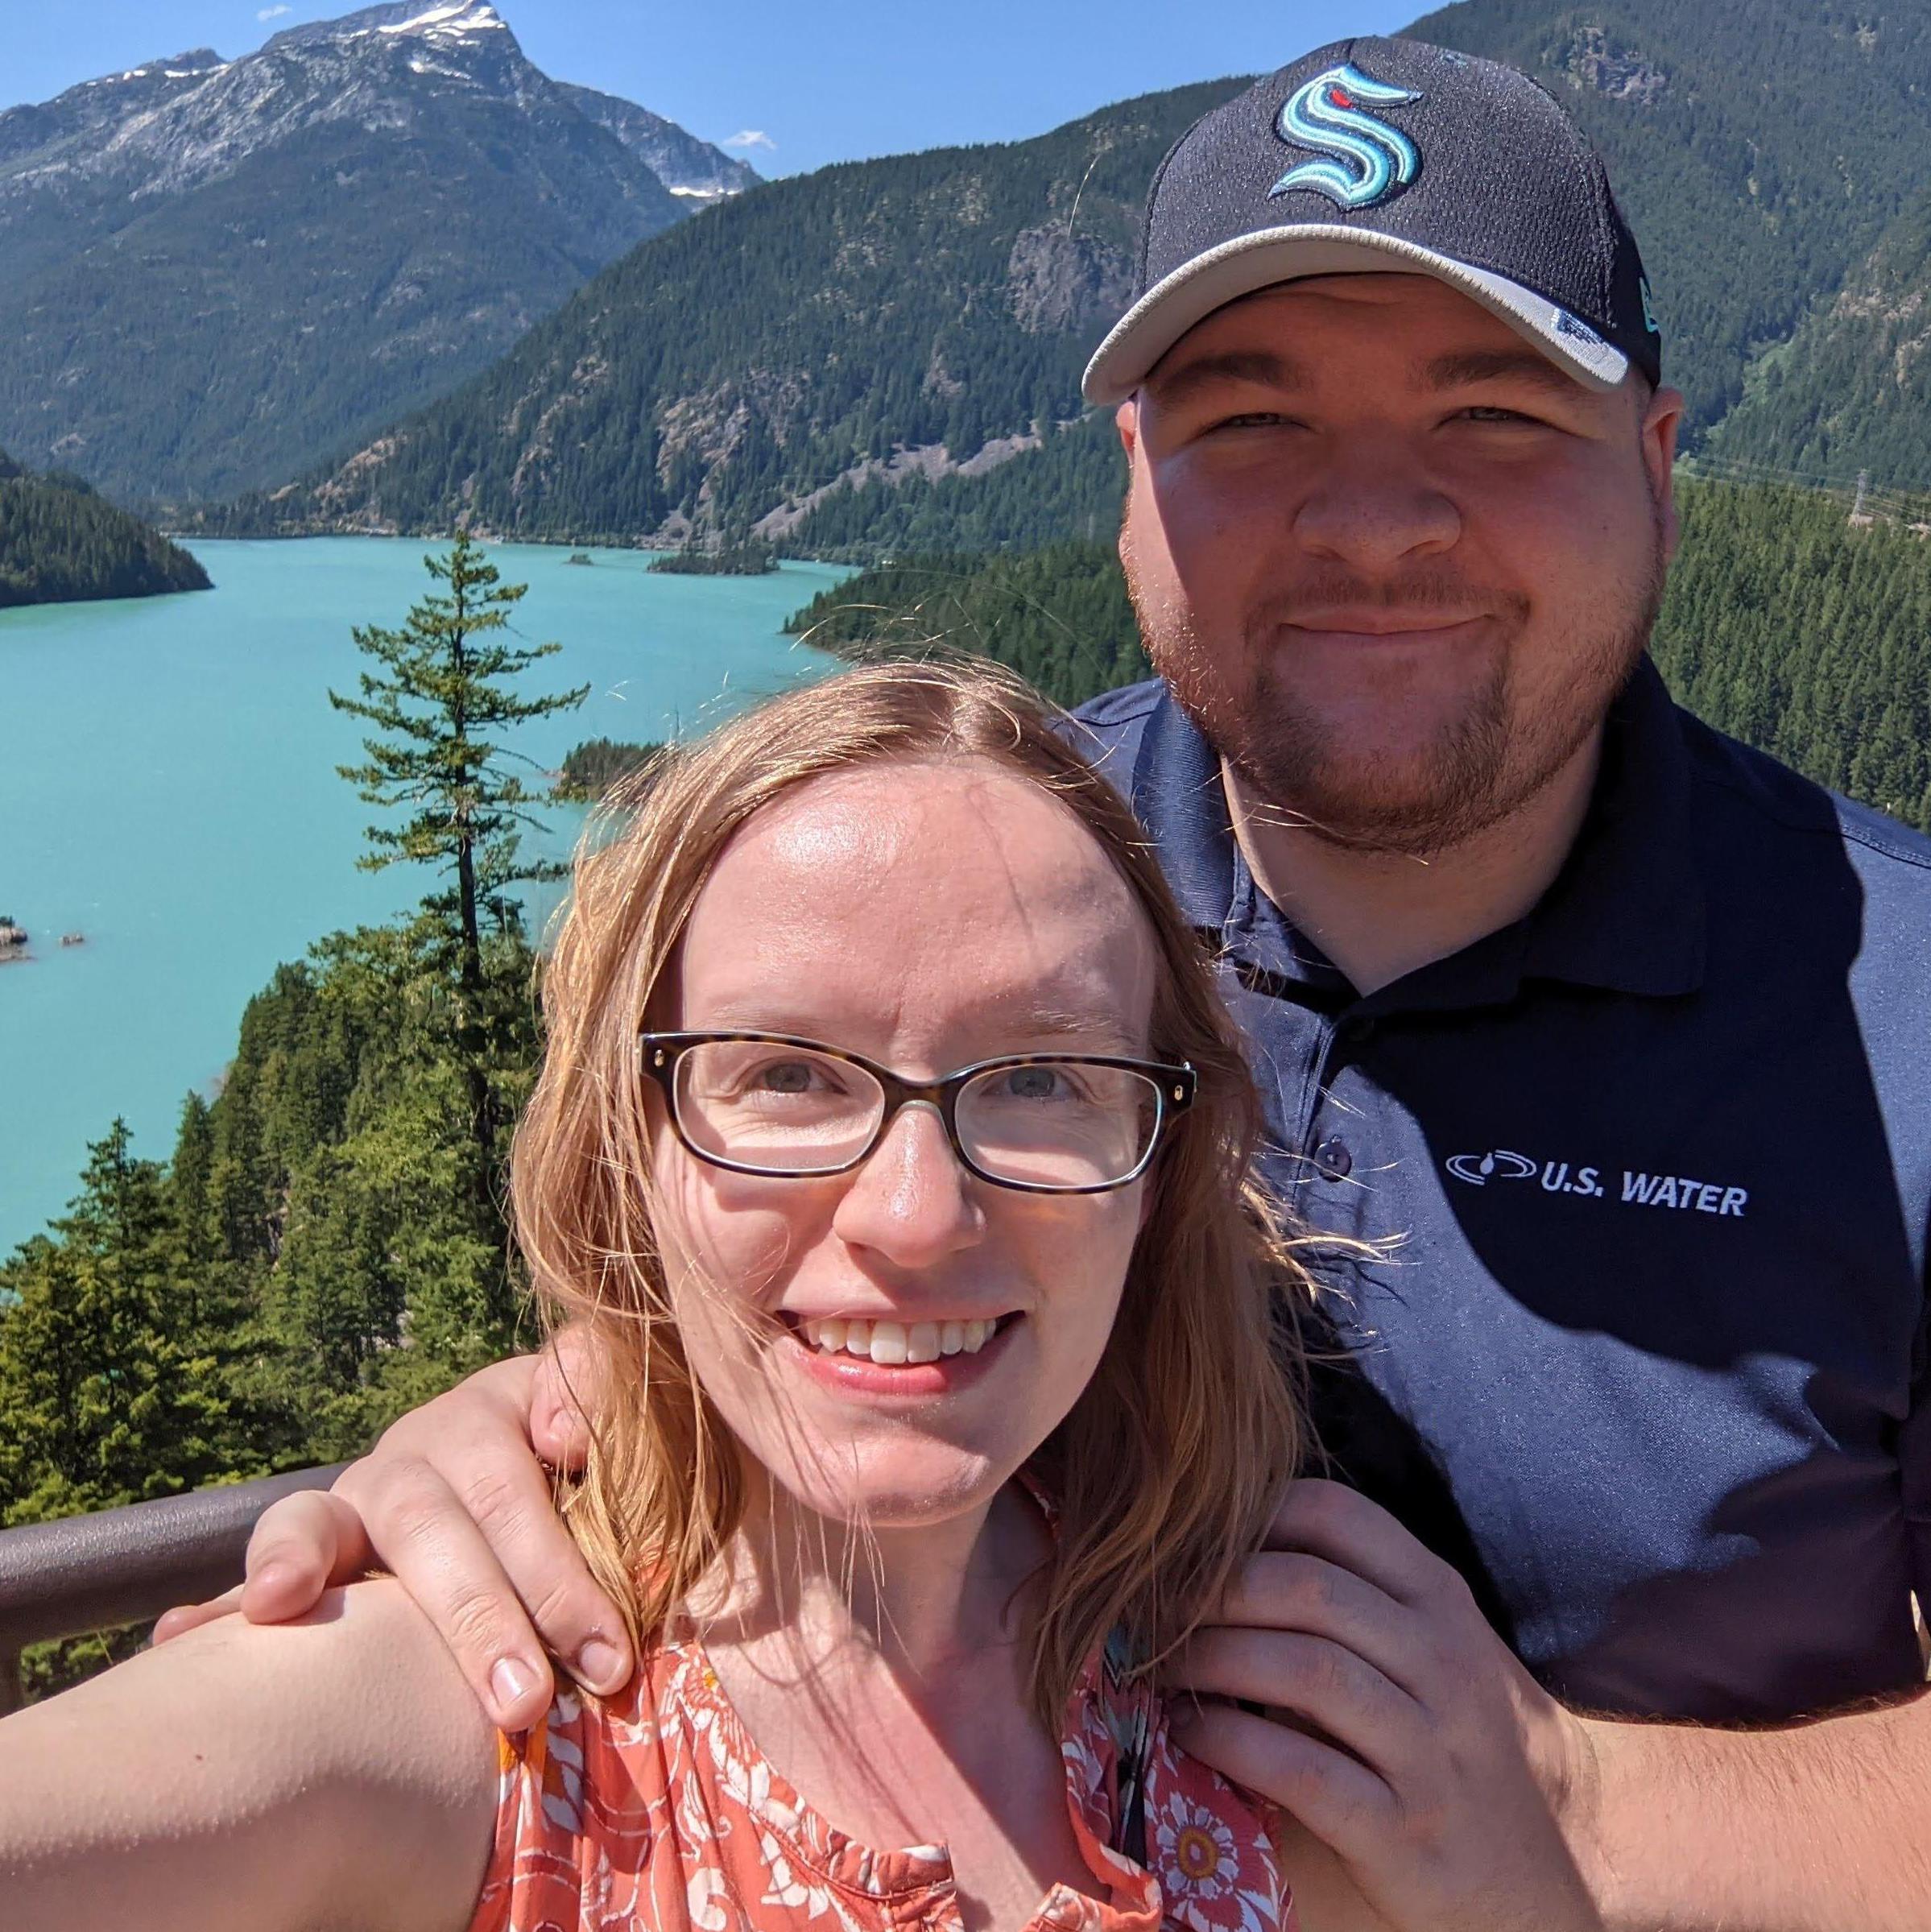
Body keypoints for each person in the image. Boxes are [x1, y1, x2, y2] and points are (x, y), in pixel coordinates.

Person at [162, 35, 1931, 1932]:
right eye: (1249, 424)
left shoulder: (1888, 1013)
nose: (1367, 521)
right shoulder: (972, 901)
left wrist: (1583, 1811)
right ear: (1133, 484)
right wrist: (555, 1439)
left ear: (1657, 467)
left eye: (1492, 414)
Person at [10, 658, 1407, 1931]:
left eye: (1043, 1078)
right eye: (787, 1074)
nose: (915, 1216)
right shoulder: (476, 1714)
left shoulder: (1256, 1698)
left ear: (1155, 1171)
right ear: (636, 1150)